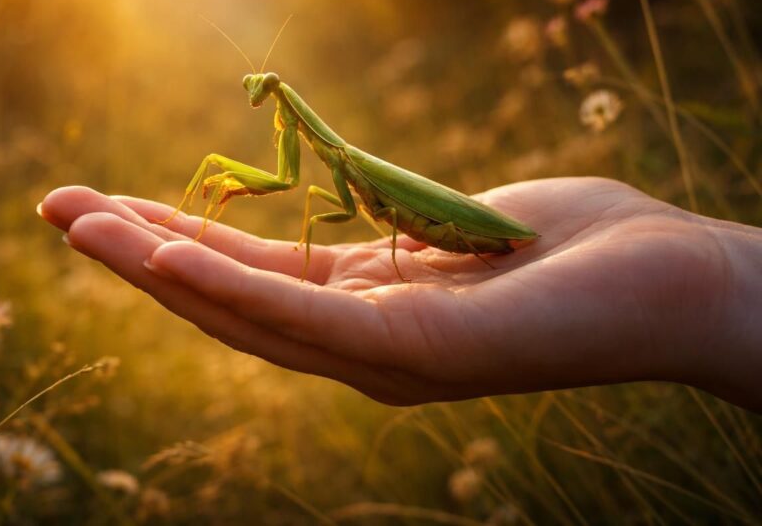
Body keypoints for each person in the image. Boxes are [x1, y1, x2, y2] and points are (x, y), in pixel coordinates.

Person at [38, 178, 761, 412]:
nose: (257, 95)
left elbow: (329, 202)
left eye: (263, 89)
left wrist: (711, 278)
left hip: (446, 225)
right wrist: (715, 281)